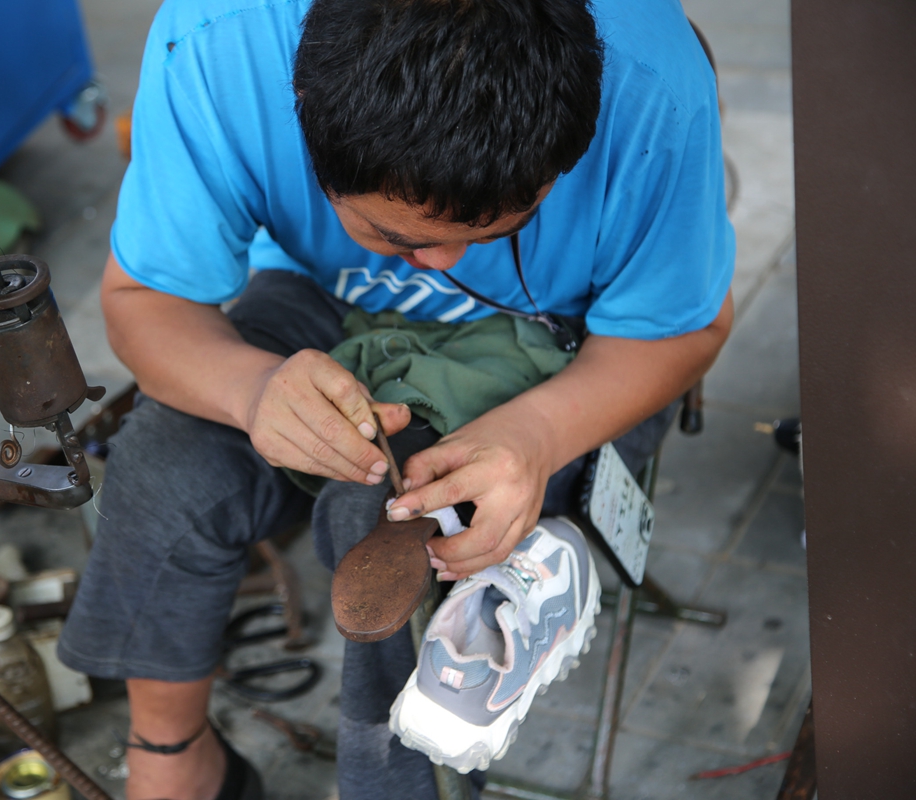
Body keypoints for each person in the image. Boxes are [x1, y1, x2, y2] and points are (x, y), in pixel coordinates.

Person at [57, 0, 734, 797]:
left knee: (398, 523)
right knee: (169, 464)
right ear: (306, 118)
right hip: (320, 297)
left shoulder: (650, 78)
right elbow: (144, 301)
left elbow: (687, 327)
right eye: (396, 236)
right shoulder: (223, 38)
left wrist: (536, 437)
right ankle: (173, 761)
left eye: (491, 233)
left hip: (570, 343)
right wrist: (254, 390)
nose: (440, 263)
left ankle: (395, 787)